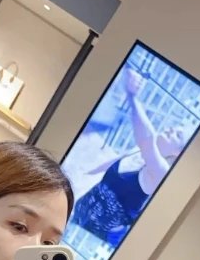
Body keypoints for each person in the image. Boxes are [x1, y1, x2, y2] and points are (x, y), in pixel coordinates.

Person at [69, 67, 187, 248]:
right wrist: (86, 174)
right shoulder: (138, 151)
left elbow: (147, 140)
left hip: (96, 238)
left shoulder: (160, 173)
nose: (171, 130)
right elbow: (114, 163)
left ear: (178, 152)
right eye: (174, 128)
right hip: (82, 211)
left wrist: (132, 96)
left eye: (177, 135)